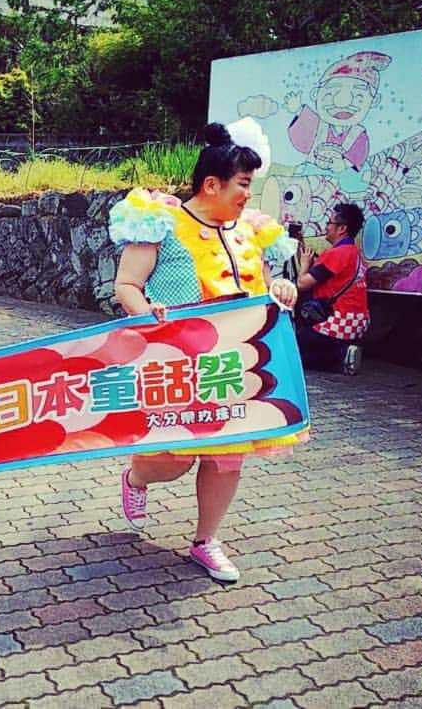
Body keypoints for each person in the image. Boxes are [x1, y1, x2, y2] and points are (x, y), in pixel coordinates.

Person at [110, 122, 300, 583]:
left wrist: (281, 287)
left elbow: (262, 283)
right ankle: (136, 479)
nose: (247, 197)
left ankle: (205, 540)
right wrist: (146, 312)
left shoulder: (251, 230)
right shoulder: (160, 221)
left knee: (227, 455)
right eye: (243, 186)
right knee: (173, 461)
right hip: (175, 361)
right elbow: (127, 285)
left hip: (238, 361)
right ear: (211, 184)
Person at [295, 202, 369, 375]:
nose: (326, 227)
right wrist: (301, 246)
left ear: (342, 228)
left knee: (294, 354)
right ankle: (345, 349)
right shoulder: (353, 252)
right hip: (358, 323)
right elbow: (318, 272)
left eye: (330, 223)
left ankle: (341, 357)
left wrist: (304, 264)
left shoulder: (336, 254)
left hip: (336, 322)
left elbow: (303, 283)